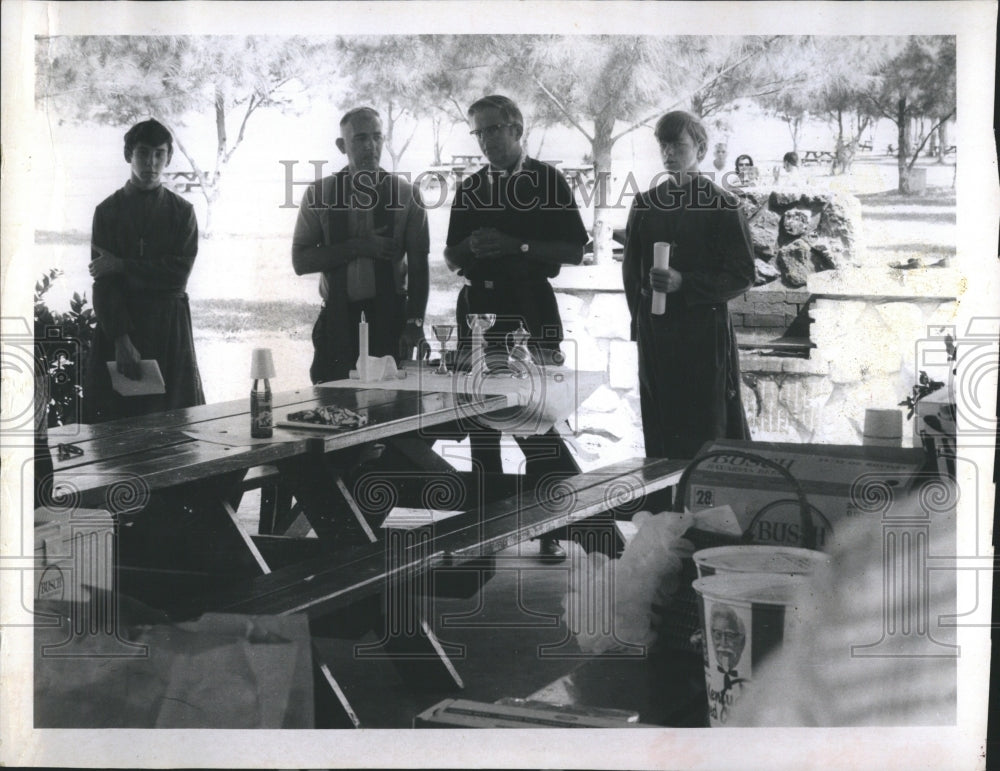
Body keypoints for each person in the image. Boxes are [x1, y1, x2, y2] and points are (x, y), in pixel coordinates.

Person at [445, 94, 589, 561]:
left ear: (516, 127)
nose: (486, 140)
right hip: (478, 311)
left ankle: (556, 526)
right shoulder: (469, 188)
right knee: (482, 430)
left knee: (537, 424)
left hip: (530, 310)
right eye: (478, 132)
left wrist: (517, 246)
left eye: (492, 129)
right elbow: (450, 256)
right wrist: (470, 248)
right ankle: (483, 537)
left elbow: (572, 250)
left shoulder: (547, 180)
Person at [622, 110, 756, 460]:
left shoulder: (723, 205)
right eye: (663, 145)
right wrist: (640, 324)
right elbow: (632, 272)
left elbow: (742, 274)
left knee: (707, 428)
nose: (668, 153)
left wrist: (687, 282)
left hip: (703, 335)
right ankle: (664, 511)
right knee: (661, 425)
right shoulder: (646, 204)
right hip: (657, 335)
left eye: (677, 145)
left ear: (699, 148)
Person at [293, 107, 429, 383]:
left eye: (377, 137)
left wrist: (415, 322)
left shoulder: (406, 194)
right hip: (338, 320)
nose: (371, 146)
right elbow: (301, 262)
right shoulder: (320, 193)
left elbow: (418, 266)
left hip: (391, 319)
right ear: (342, 145)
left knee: (393, 411)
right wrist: (358, 247)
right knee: (334, 407)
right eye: (361, 138)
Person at [85, 118, 204, 423]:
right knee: (115, 431)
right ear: (129, 155)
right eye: (143, 153)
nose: (151, 163)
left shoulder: (182, 212)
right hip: (123, 327)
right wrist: (121, 340)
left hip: (168, 328)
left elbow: (177, 274)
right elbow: (104, 282)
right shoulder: (107, 212)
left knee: (174, 428)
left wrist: (122, 265)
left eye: (159, 154)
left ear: (168, 157)